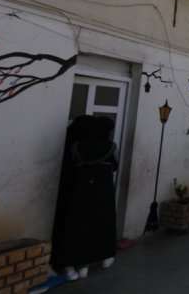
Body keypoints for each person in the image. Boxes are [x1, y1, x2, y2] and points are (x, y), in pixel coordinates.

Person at [50, 115, 118, 281]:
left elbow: (73, 164)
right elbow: (115, 165)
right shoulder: (110, 147)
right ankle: (105, 256)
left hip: (81, 192)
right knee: (104, 224)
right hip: (104, 193)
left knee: (80, 227)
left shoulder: (77, 147)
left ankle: (81, 264)